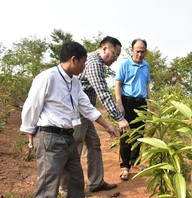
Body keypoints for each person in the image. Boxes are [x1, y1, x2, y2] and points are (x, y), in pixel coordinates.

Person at [20, 41, 118, 198]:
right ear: (74, 60)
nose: (84, 67)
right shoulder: (47, 78)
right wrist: (29, 131)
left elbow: (86, 107)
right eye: (83, 62)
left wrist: (107, 125)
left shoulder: (75, 82)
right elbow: (32, 106)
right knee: (48, 185)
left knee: (75, 181)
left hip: (68, 137)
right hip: (49, 137)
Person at [60, 36, 130, 194]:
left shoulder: (96, 63)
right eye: (114, 54)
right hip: (76, 113)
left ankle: (96, 182)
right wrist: (119, 118)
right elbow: (103, 92)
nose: (115, 59)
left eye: (118, 56)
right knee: (74, 149)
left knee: (94, 144)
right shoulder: (93, 63)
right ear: (104, 49)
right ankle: (66, 189)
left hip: (86, 113)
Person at [115, 38, 152, 181]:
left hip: (142, 103)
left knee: (139, 134)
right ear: (132, 50)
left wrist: (151, 102)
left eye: (143, 52)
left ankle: (135, 161)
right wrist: (120, 103)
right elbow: (118, 84)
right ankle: (125, 166)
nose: (140, 54)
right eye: (137, 51)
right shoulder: (125, 64)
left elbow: (147, 86)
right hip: (127, 101)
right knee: (126, 134)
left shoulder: (146, 66)